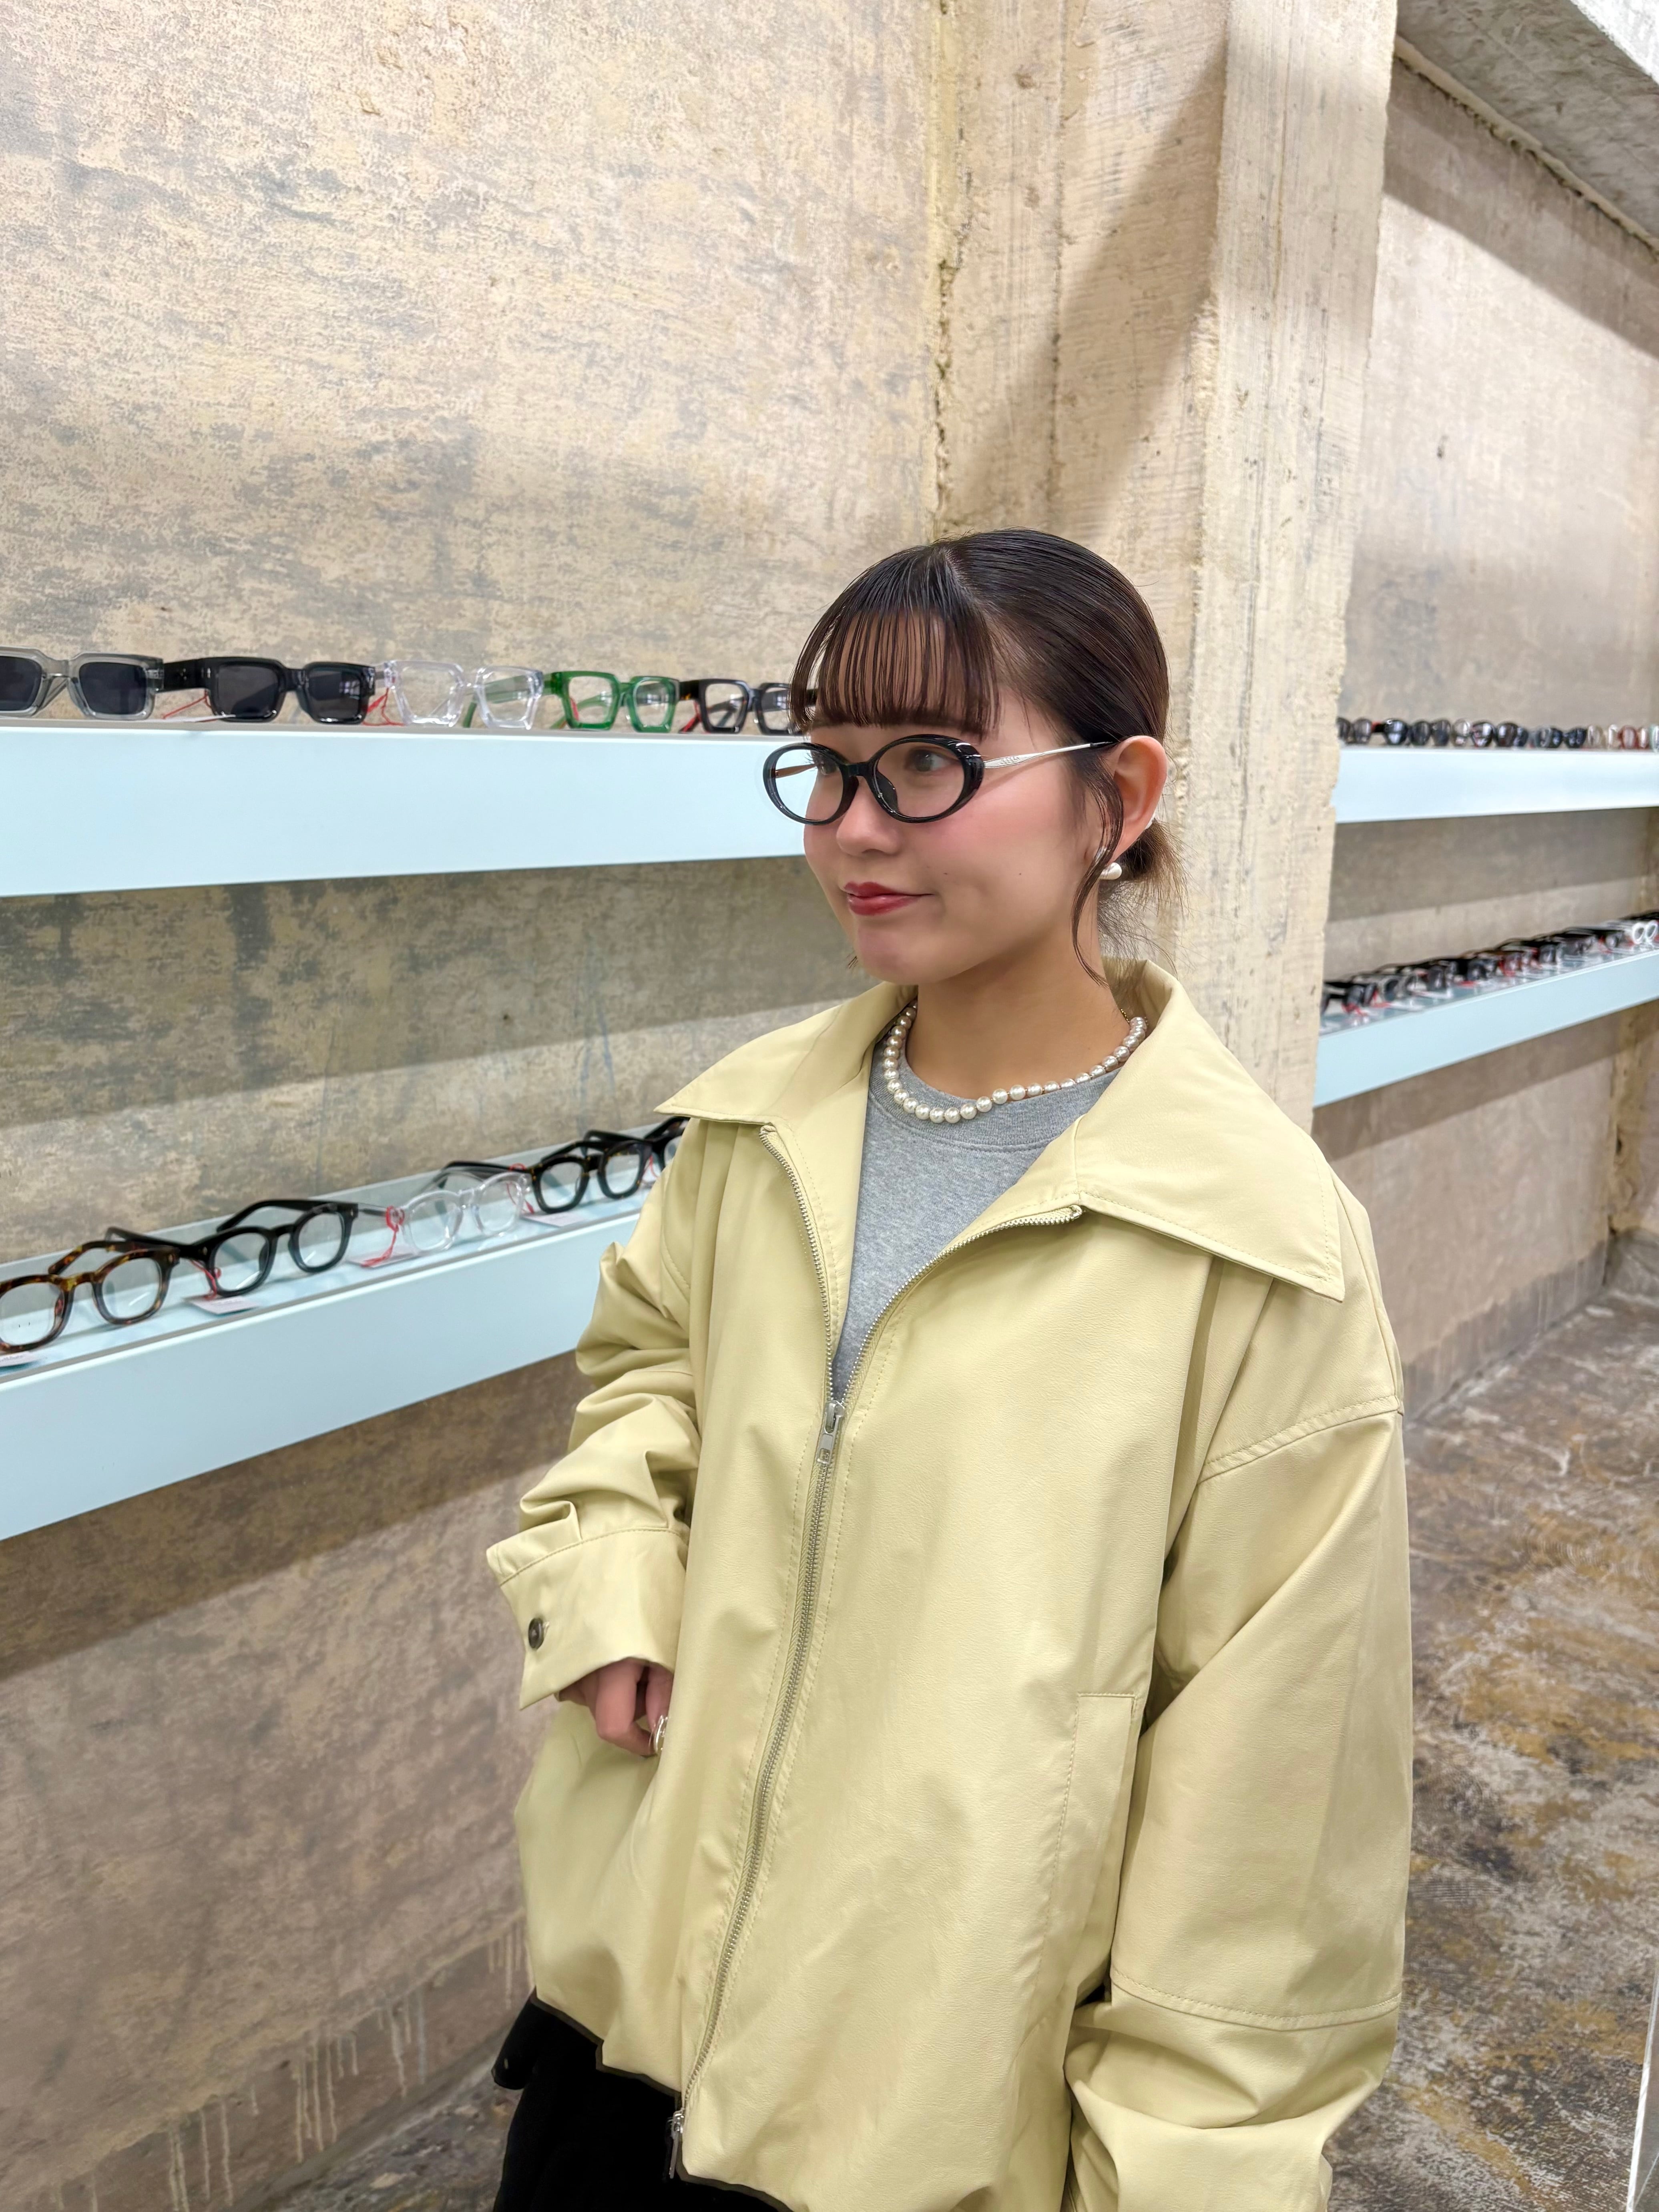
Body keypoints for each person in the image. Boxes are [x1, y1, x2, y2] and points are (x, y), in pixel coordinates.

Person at [486, 528, 1412, 2212]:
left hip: (932, 2102)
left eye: (928, 763)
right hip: (630, 2010)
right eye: (827, 765)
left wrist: (1183, 2173)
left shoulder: (1255, 1246)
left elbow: (1272, 1821)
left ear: (1118, 797)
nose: (853, 827)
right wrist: (615, 1570)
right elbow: (644, 1375)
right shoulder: (757, 1125)